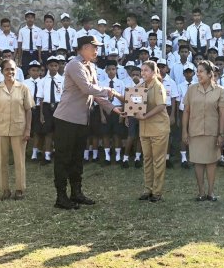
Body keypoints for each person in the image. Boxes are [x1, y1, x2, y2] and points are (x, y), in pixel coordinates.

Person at [52, 36, 124, 209]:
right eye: (94, 47)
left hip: (81, 120)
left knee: (77, 158)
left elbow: (96, 94)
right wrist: (110, 90)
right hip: (66, 119)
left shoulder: (90, 66)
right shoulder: (74, 65)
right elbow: (87, 88)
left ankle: (76, 193)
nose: (96, 51)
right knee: (63, 158)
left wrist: (114, 109)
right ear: (84, 47)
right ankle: (61, 197)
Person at [0, 58, 34, 200]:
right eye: (7, 69)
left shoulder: (23, 88)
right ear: (2, 71)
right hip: (0, 128)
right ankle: (5, 189)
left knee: (19, 160)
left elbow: (28, 110)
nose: (10, 72)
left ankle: (19, 189)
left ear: (16, 71)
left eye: (12, 69)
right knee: (2, 161)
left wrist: (28, 130)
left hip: (19, 129)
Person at [182, 60, 224, 201]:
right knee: (198, 162)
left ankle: (210, 192)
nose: (197, 74)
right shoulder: (192, 89)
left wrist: (221, 134)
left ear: (209, 74)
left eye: (201, 71)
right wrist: (184, 131)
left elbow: (222, 115)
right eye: (197, 71)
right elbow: (186, 112)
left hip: (212, 132)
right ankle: (201, 192)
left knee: (212, 163)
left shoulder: (220, 90)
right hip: (195, 131)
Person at [130, 61, 171, 202]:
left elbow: (161, 106)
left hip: (159, 128)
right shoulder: (139, 86)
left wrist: (145, 116)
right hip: (145, 128)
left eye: (146, 70)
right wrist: (130, 112)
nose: (143, 73)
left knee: (158, 161)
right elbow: (134, 105)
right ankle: (148, 189)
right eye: (142, 70)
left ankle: (157, 192)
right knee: (147, 159)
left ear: (154, 72)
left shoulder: (159, 86)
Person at [101, 60, 127, 166]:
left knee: (117, 134)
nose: (111, 71)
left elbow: (125, 100)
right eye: (109, 69)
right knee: (106, 134)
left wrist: (123, 114)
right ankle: (107, 157)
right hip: (106, 110)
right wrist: (102, 115)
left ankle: (117, 156)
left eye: (113, 69)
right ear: (106, 71)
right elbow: (100, 100)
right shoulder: (102, 84)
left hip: (118, 110)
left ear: (116, 70)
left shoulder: (121, 83)